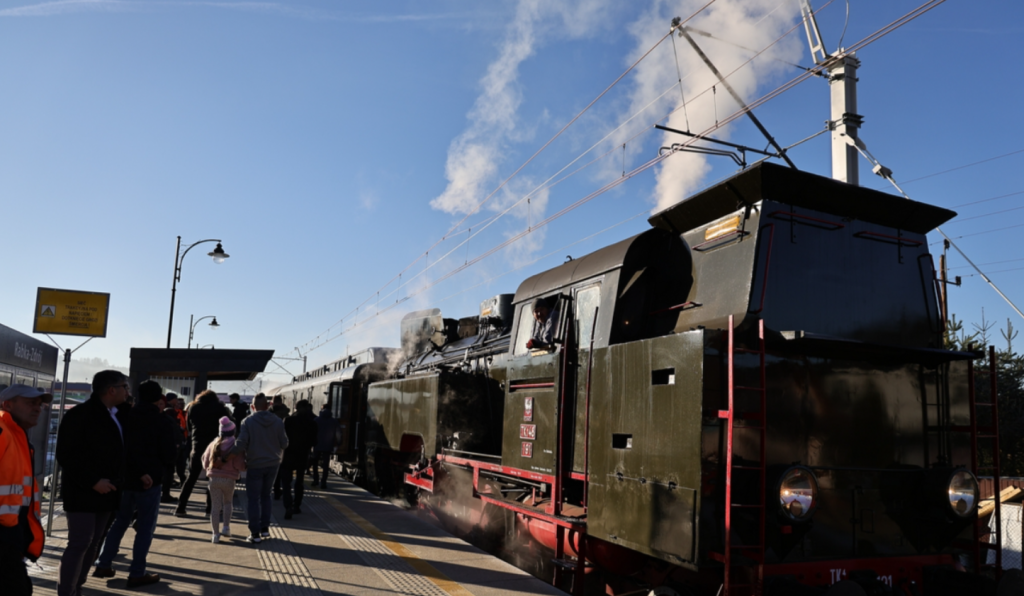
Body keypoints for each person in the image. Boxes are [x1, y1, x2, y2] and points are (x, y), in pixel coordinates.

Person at [93, 381, 176, 587]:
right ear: (159, 399)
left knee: (119, 522)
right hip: (150, 480)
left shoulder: (125, 416)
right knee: (145, 528)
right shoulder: (161, 421)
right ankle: (137, 572)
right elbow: (169, 454)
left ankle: (103, 563)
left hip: (124, 479)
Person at [56, 370, 128, 596]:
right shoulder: (81, 415)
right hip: (82, 493)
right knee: (80, 543)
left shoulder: (115, 414)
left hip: (107, 493)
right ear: (111, 390)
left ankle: (77, 587)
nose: (128, 391)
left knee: (94, 543)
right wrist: (93, 482)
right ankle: (66, 592)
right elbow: (66, 455)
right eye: (124, 386)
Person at [0, 384, 51, 596]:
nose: (38, 408)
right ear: (8, 405)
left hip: (11, 535)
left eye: (40, 404)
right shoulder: (4, 432)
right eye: (31, 403)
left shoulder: (17, 435)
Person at [231, 393, 288, 544]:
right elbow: (284, 444)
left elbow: (241, 443)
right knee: (266, 496)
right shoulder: (278, 421)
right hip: (273, 464)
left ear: (252, 407)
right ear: (268, 406)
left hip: (255, 464)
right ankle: (265, 529)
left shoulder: (247, 421)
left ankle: (254, 533)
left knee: (253, 499)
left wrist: (225, 455)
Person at [174, 390, 229, 517]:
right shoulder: (219, 408)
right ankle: (210, 509)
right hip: (214, 447)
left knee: (191, 477)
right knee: (213, 477)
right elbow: (227, 425)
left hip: (197, 446)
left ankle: (180, 507)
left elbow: (188, 427)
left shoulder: (193, 407)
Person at [201, 416, 245, 543]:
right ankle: (226, 528)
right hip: (229, 479)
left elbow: (205, 460)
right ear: (233, 431)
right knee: (227, 503)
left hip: (214, 479)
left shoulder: (213, 443)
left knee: (215, 506)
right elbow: (239, 464)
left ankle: (215, 535)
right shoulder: (235, 445)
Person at [280, 400, 318, 519]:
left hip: (287, 455)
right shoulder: (312, 422)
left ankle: (288, 506)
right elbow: (314, 441)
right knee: (299, 482)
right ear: (307, 408)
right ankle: (297, 505)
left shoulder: (288, 420)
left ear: (296, 407)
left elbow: (282, 438)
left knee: (286, 483)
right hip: (302, 456)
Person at [312, 403, 339, 489]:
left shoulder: (316, 420)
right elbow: (338, 434)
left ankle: (315, 480)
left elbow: (312, 433)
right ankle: (323, 482)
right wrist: (338, 443)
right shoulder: (334, 421)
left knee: (315, 463)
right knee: (325, 465)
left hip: (317, 445)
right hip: (328, 445)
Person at [160, 406, 184, 503]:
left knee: (166, 472)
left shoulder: (163, 419)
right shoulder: (169, 420)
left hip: (166, 449)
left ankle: (164, 494)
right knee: (169, 472)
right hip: (170, 450)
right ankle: (165, 494)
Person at [270, 395, 290, 499]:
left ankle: (275, 489)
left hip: (270, 445)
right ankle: (278, 491)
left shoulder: (268, 413)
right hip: (281, 446)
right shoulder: (286, 414)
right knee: (281, 469)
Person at [166, 393, 188, 486]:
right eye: (179, 402)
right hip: (176, 442)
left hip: (183, 439)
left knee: (181, 463)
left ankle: (181, 480)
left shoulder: (185, 413)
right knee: (173, 464)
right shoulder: (171, 412)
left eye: (183, 403)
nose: (181, 404)